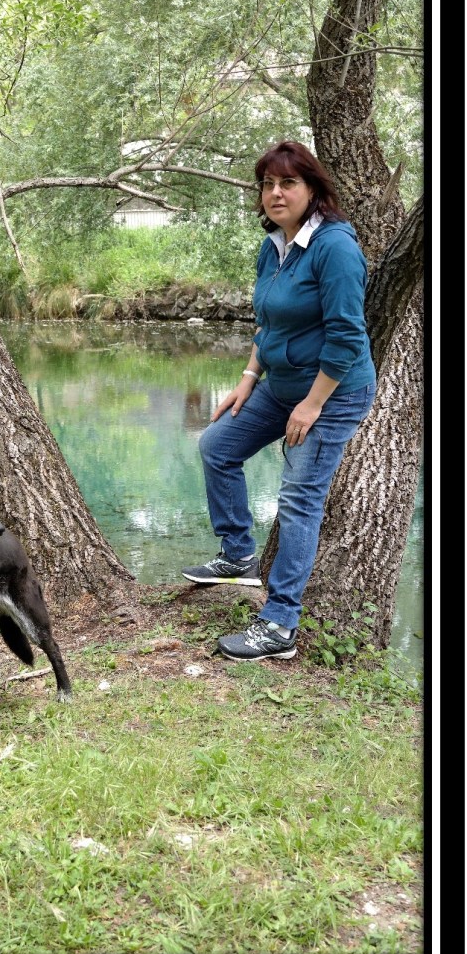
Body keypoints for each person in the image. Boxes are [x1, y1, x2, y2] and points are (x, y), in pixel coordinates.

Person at [182, 140, 376, 662]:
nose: (276, 193)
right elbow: (267, 322)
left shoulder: (335, 248)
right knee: (217, 446)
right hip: (282, 385)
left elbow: (347, 339)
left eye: (288, 182)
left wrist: (312, 405)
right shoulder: (273, 245)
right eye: (268, 183)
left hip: (333, 393)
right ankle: (238, 555)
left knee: (297, 499)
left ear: (312, 189)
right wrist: (249, 376)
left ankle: (280, 624)